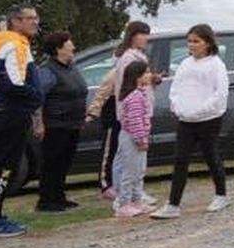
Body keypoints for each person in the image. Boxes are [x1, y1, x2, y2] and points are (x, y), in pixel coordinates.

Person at [153, 24, 232, 218]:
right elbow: (176, 89)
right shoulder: (185, 64)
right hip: (186, 120)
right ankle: (173, 204)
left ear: (207, 43)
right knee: (180, 159)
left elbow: (220, 93)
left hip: (208, 119)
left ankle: (221, 195)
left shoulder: (216, 64)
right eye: (189, 41)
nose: (192, 45)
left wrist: (201, 109)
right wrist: (177, 106)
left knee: (211, 156)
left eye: (196, 41)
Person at [0, 4, 45, 238]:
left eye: (36, 18)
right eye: (29, 18)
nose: (35, 22)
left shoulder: (11, 42)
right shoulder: (13, 43)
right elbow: (14, 83)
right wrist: (37, 95)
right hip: (11, 113)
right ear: (15, 22)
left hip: (10, 112)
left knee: (5, 165)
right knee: (6, 167)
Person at [85, 20, 155, 200]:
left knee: (133, 158)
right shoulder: (127, 59)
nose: (146, 38)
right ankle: (123, 194)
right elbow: (116, 86)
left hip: (139, 112)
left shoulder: (138, 57)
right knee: (127, 157)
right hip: (131, 115)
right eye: (142, 34)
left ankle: (133, 193)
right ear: (132, 36)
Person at [34, 30, 88, 212]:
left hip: (73, 123)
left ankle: (59, 196)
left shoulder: (71, 66)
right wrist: (39, 123)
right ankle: (46, 200)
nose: (72, 46)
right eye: (68, 43)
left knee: (65, 161)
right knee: (52, 162)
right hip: (56, 124)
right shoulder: (47, 70)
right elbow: (39, 98)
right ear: (58, 48)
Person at [112, 61, 155, 217]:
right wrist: (141, 139)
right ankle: (124, 203)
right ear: (138, 77)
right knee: (130, 171)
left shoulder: (140, 94)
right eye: (146, 73)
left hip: (138, 137)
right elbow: (135, 120)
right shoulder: (134, 97)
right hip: (132, 138)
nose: (150, 75)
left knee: (139, 170)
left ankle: (137, 200)